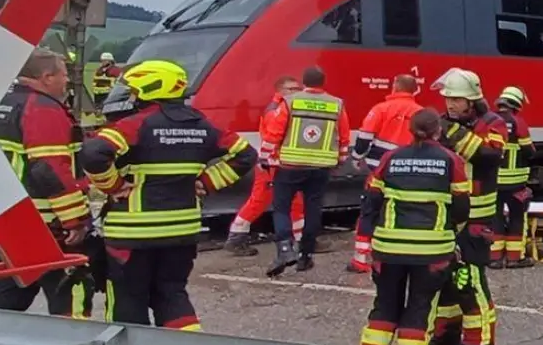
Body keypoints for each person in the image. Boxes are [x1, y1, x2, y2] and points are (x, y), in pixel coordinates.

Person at [80, 59, 256, 330]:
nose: (132, 96)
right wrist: (207, 182)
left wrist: (112, 185)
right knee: (172, 294)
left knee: (128, 299)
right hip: (182, 230)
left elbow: (93, 154)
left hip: (133, 234)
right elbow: (246, 155)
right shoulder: (205, 125)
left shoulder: (135, 124)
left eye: (135, 90)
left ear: (149, 88)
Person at [347, 108, 470, 345]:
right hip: (431, 251)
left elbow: (372, 200)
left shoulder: (391, 158)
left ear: (410, 130)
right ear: (438, 131)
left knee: (385, 305)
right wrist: (451, 231)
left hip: (388, 249)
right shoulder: (451, 161)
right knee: (418, 307)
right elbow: (462, 207)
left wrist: (367, 240)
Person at [0, 48, 96, 318]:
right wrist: (75, 219)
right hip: (44, 223)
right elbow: (48, 169)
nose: (67, 81)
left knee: (8, 292)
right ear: (46, 77)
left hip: (3, 218)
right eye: (64, 75)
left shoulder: (0, 104)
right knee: (71, 291)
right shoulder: (42, 109)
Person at [428, 67, 507, 345]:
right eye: (448, 98)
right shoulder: (445, 123)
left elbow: (490, 157)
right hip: (449, 214)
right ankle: (448, 333)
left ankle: (480, 343)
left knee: (471, 279)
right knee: (447, 279)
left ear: (472, 100)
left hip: (477, 216)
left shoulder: (492, 123)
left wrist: (455, 134)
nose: (450, 104)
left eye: (457, 99)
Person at [259, 65, 349, 277]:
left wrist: (265, 157)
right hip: (320, 167)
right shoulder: (337, 104)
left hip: (289, 165)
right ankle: (306, 256)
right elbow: (343, 135)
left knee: (281, 208)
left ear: (305, 82)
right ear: (323, 82)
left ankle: (284, 250)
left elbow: (274, 133)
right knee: (313, 209)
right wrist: (340, 159)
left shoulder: (289, 102)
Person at [347, 74, 424, 273]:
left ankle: (361, 259)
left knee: (370, 211)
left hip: (378, 172)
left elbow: (364, 138)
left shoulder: (380, 109)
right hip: (407, 173)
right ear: (414, 90)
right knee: (400, 213)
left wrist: (356, 157)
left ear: (394, 87)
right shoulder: (420, 113)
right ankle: (395, 256)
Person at [223, 75, 306, 256]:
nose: (297, 92)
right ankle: (236, 238)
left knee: (296, 202)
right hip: (273, 166)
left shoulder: (283, 108)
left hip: (281, 164)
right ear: (280, 91)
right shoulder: (275, 111)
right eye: (292, 89)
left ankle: (304, 240)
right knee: (259, 201)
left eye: (298, 89)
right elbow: (273, 138)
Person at [490, 86, 535, 268]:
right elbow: (529, 151)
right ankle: (515, 258)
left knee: (495, 217)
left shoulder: (489, 121)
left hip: (493, 181)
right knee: (517, 217)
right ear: (517, 105)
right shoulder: (518, 122)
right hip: (516, 182)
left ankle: (494, 259)